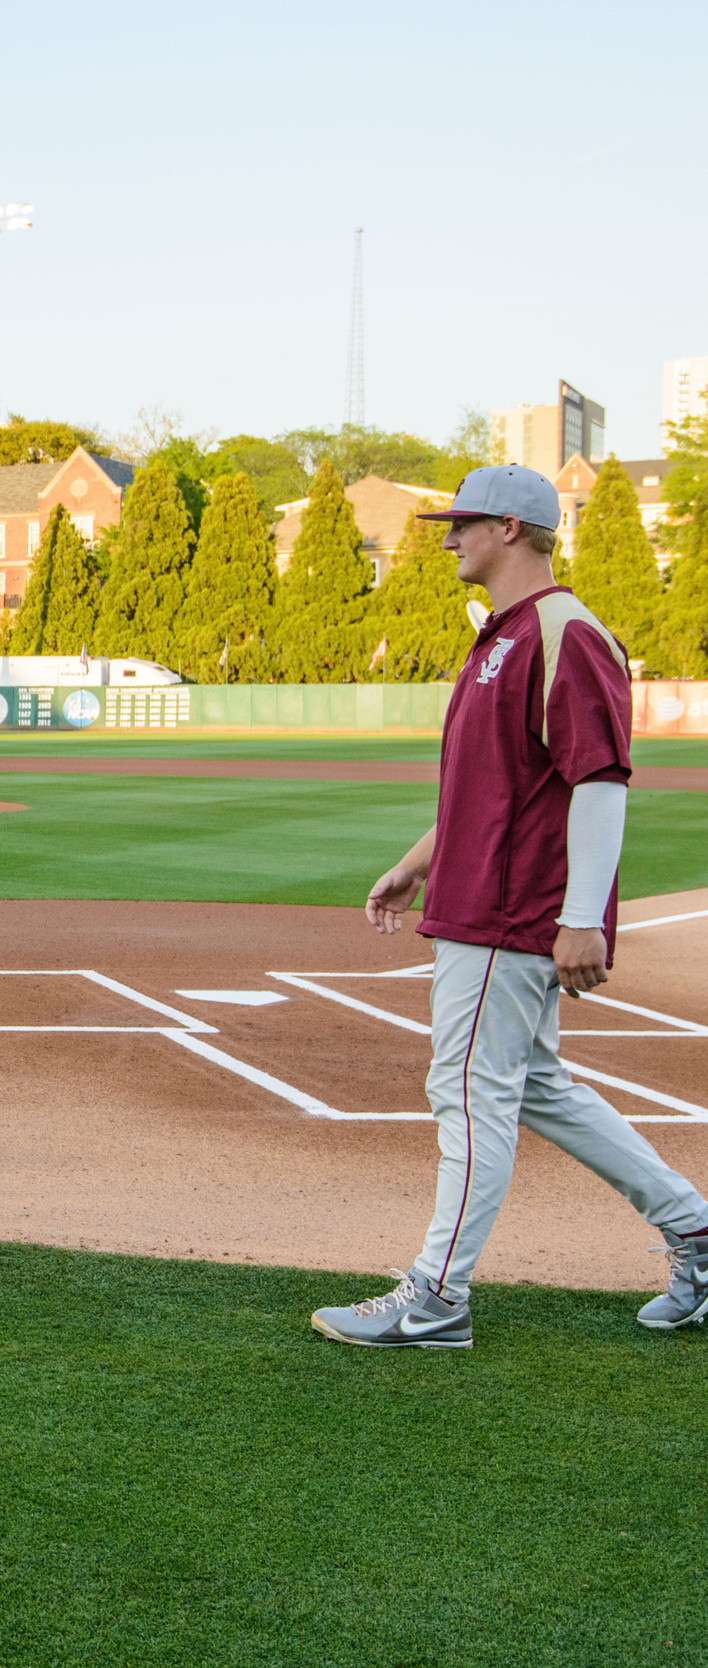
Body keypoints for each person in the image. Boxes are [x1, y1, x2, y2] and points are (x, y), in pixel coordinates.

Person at [313, 466, 708, 1347]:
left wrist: (580, 918)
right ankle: (698, 1231)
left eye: (463, 524)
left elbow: (598, 782)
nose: (449, 539)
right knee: (535, 1088)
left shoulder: (563, 630)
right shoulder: (504, 634)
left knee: (467, 1093)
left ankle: (436, 1297)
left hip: (508, 917)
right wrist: (419, 861)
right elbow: (497, 786)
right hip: (479, 901)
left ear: (513, 529)